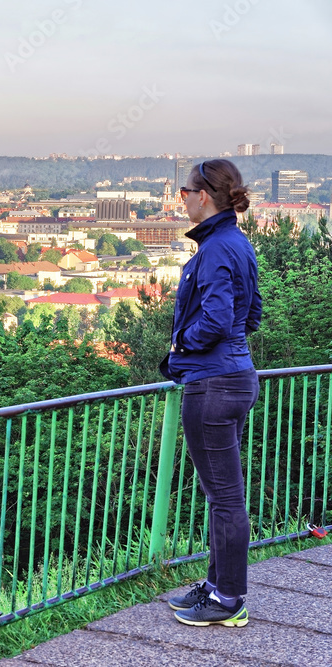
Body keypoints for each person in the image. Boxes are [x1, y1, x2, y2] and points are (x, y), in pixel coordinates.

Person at [159, 159, 261, 627]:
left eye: (184, 192)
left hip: (212, 384)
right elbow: (251, 316)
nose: (181, 199)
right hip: (237, 377)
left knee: (224, 498)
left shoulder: (216, 248)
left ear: (203, 196)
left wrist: (182, 345)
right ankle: (218, 586)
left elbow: (219, 321)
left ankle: (229, 600)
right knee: (223, 495)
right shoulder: (236, 242)